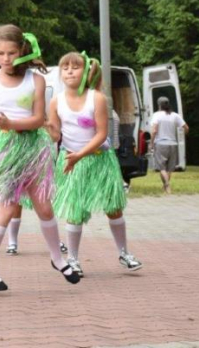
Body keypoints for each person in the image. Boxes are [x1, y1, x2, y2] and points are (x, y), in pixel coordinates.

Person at [0, 24, 79, 291]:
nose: (6, 58)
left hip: (32, 148)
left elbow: (39, 119)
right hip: (5, 150)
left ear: (22, 51)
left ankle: (58, 258)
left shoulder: (35, 80)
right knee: (7, 206)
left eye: (12, 53)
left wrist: (11, 123)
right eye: (1, 53)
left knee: (44, 206)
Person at [47, 52, 143, 276]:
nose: (69, 71)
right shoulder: (56, 101)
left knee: (113, 208)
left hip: (99, 159)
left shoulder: (97, 98)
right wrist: (45, 126)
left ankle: (124, 253)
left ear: (87, 72)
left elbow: (101, 134)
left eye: (75, 67)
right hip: (71, 160)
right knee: (75, 210)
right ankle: (72, 259)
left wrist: (80, 154)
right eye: (65, 67)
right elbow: (55, 135)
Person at [150, 96, 188, 194]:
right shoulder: (175, 115)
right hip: (173, 144)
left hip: (161, 143)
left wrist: (151, 143)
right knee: (169, 169)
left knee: (162, 168)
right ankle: (165, 187)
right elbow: (186, 128)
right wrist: (183, 135)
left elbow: (154, 130)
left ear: (159, 105)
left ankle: (167, 185)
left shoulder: (156, 115)